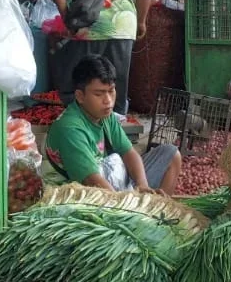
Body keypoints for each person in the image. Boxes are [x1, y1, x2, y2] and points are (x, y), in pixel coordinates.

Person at [44, 55, 180, 193]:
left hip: (111, 180)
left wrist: (142, 185)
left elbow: (128, 152)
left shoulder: (104, 115)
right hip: (85, 193)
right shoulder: (70, 129)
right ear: (80, 96)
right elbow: (92, 180)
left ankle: (158, 209)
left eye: (111, 91)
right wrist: (123, 204)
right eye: (99, 94)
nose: (108, 100)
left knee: (172, 155)